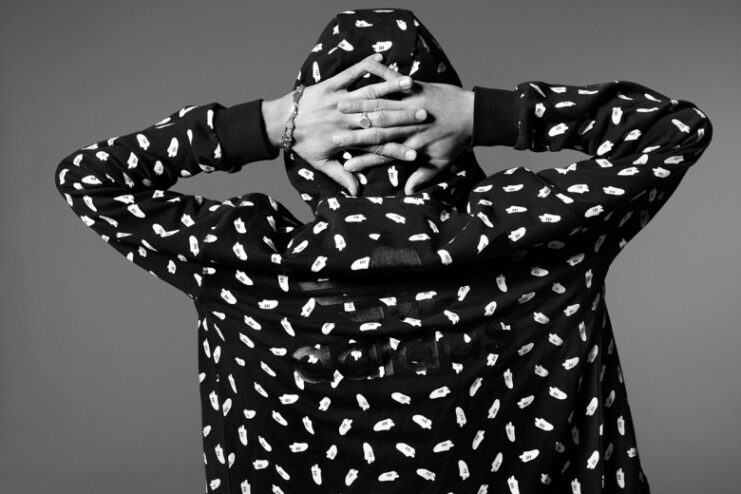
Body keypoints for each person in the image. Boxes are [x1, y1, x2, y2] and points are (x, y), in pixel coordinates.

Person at [54, 8, 713, 494]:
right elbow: (676, 130)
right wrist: (485, 113)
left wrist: (271, 122)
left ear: (307, 149)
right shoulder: (537, 232)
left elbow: (89, 179)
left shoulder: (247, 265)